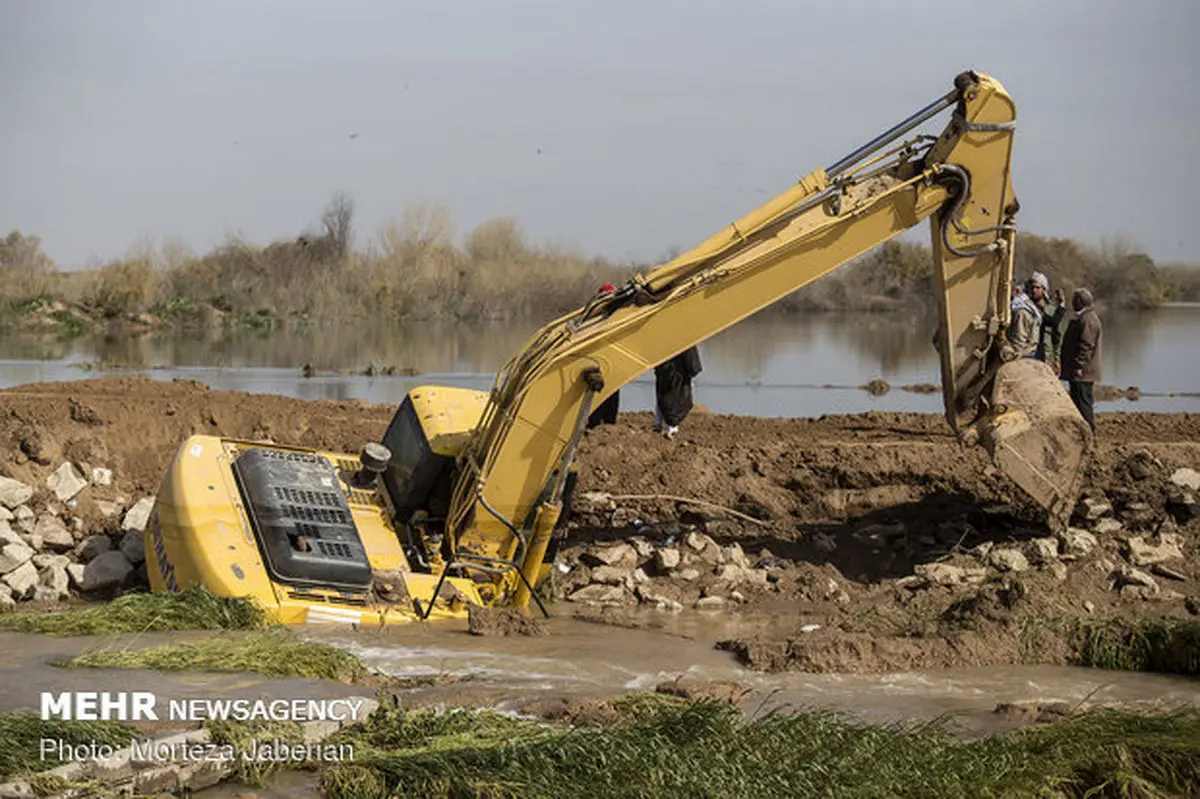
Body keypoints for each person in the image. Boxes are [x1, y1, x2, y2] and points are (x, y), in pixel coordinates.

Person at [1060, 287, 1102, 432]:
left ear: (1080, 301)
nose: (1072, 303)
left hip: (1083, 373)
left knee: (1083, 403)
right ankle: (1082, 431)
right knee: (1078, 402)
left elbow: (1086, 345)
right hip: (1080, 371)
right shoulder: (1083, 317)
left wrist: (1079, 365)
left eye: (1074, 300)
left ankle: (1088, 432)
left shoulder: (1088, 319)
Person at [586, 285, 621, 429]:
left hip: (606, 357)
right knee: (603, 389)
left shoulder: (610, 314)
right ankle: (603, 420)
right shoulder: (602, 314)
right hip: (602, 358)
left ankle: (603, 421)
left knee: (608, 390)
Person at [653, 345, 702, 439]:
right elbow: (691, 359)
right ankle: (671, 427)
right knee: (677, 399)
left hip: (664, 367)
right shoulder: (686, 335)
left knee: (662, 395)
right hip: (679, 372)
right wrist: (693, 370)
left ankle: (658, 423)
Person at [1001, 274, 1045, 361]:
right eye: (1032, 287)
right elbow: (1018, 342)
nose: (1034, 290)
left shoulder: (1034, 310)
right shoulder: (1023, 311)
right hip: (1020, 357)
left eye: (1037, 288)